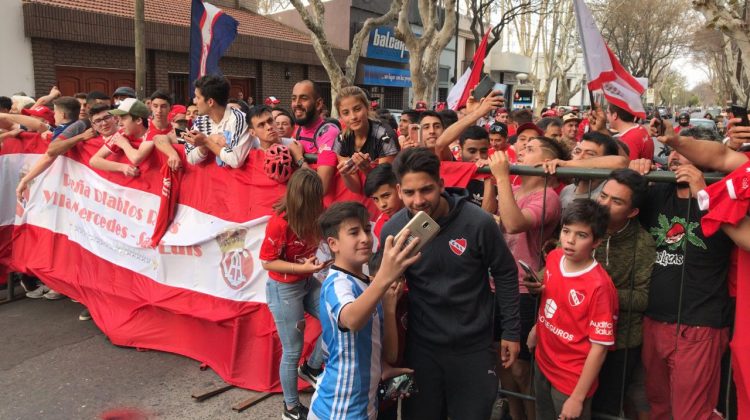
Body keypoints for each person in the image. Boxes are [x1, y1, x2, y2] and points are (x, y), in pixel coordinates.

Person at [379, 148, 521, 420]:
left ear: (442, 185)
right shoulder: (393, 231)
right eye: (409, 192)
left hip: (474, 348)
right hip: (422, 350)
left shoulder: (478, 222)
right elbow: (384, 287)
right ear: (399, 190)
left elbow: (505, 272)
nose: (418, 200)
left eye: (426, 190)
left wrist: (511, 331)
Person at [637, 135, 733, 420]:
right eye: (672, 152)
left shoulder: (722, 194)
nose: (676, 158)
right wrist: (637, 170)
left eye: (686, 153)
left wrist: (703, 193)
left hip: (699, 325)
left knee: (692, 414)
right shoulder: (657, 191)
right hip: (654, 320)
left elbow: (730, 237)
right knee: (659, 408)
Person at [309, 201, 419, 420]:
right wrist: (385, 276)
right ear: (333, 244)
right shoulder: (337, 284)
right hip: (338, 409)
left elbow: (387, 353)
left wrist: (388, 308)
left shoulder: (366, 284)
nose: (365, 238)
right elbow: (351, 319)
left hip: (365, 406)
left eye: (367, 230)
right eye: (353, 232)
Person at [489, 135, 565, 420]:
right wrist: (494, 182)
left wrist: (501, 177)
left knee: (521, 369)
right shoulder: (516, 186)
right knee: (502, 365)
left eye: (530, 149)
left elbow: (514, 223)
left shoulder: (548, 196)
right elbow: (490, 216)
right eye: (522, 146)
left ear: (546, 162)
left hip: (522, 289)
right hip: (494, 283)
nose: (521, 151)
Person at [528, 199, 618, 420]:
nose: (570, 240)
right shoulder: (555, 257)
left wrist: (577, 398)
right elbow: (554, 301)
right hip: (543, 362)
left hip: (571, 379)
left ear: (596, 241)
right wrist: (536, 329)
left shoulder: (599, 286)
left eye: (581, 235)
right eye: (566, 231)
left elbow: (600, 348)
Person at [259, 168, 328, 420]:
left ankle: (310, 368)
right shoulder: (279, 222)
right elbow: (267, 262)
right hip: (284, 289)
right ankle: (290, 408)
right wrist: (303, 267)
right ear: (302, 200)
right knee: (292, 350)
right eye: (315, 201)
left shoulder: (316, 214)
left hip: (306, 281)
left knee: (338, 319)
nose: (320, 205)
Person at [591, 169, 655, 417]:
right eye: (603, 196)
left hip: (620, 342)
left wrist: (598, 292)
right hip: (576, 334)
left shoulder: (643, 243)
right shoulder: (585, 225)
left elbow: (643, 297)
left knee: (604, 410)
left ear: (632, 211)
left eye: (616, 201)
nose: (604, 205)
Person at [543, 132, 628, 211]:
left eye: (590, 154)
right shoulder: (566, 190)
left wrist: (565, 164)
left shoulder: (607, 194)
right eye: (577, 151)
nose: (579, 157)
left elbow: (621, 162)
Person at [182, 75, 253, 169]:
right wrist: (205, 145)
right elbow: (190, 158)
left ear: (210, 102)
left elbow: (236, 160)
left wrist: (206, 141)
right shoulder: (200, 120)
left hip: (238, 182)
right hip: (211, 182)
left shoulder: (240, 119)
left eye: (198, 98)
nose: (194, 101)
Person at [333, 86, 399, 172]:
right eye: (346, 113)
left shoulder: (385, 136)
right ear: (340, 116)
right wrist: (345, 173)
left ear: (367, 107)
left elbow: (385, 182)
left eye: (357, 109)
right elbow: (353, 184)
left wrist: (366, 169)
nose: (353, 117)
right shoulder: (341, 139)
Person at [89, 98, 152, 176]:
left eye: (123, 118)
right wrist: (122, 167)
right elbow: (94, 161)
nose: (119, 123)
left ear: (138, 120)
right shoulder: (122, 133)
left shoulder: (153, 129)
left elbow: (136, 159)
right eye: (119, 118)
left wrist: (124, 144)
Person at [363, 164, 404, 241]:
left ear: (399, 189)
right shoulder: (381, 225)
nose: (382, 204)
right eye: (375, 199)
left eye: (386, 195)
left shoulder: (418, 208)